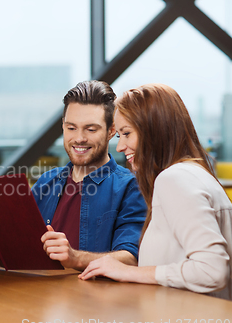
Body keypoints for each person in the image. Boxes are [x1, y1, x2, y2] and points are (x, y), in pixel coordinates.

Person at [0, 81, 147, 270]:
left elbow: (132, 258)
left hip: (92, 298)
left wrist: (76, 258)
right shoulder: (46, 182)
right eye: (71, 128)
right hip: (37, 295)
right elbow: (19, 246)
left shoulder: (131, 187)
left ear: (111, 131)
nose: (79, 138)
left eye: (90, 129)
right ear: (63, 127)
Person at [79, 83, 232, 300]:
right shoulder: (194, 174)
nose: (121, 146)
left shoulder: (174, 179)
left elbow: (211, 271)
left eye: (127, 133)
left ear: (153, 130)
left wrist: (128, 271)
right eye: (118, 136)